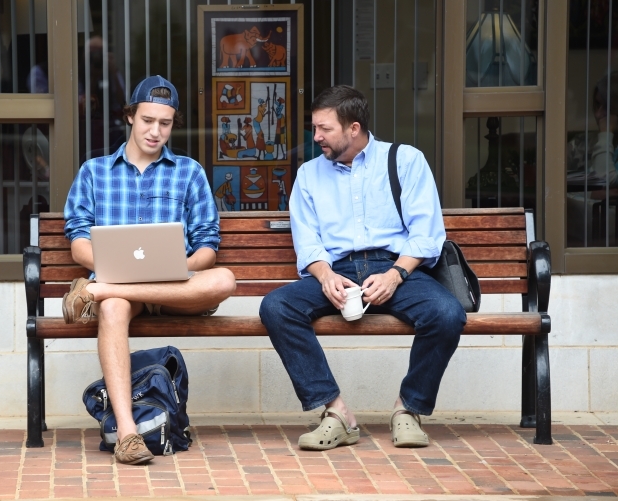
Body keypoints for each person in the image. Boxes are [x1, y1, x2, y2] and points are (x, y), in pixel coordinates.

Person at [259, 85, 466, 451]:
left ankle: (408, 410)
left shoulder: (406, 160)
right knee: (276, 307)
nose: (316, 136)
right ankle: (337, 413)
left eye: (325, 129)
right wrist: (325, 276)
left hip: (396, 269)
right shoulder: (309, 174)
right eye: (315, 128)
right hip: (336, 270)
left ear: (353, 128)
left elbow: (427, 234)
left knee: (447, 313)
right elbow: (307, 240)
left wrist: (395, 275)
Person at [62, 75, 236, 465]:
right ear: (129, 117)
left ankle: (98, 291)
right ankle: (127, 434)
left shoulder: (189, 172)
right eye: (147, 120)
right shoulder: (95, 172)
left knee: (225, 279)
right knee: (113, 307)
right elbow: (78, 243)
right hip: (122, 290)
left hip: (177, 288)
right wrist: (119, 275)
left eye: (165, 123)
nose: (156, 131)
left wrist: (178, 268)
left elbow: (208, 246)